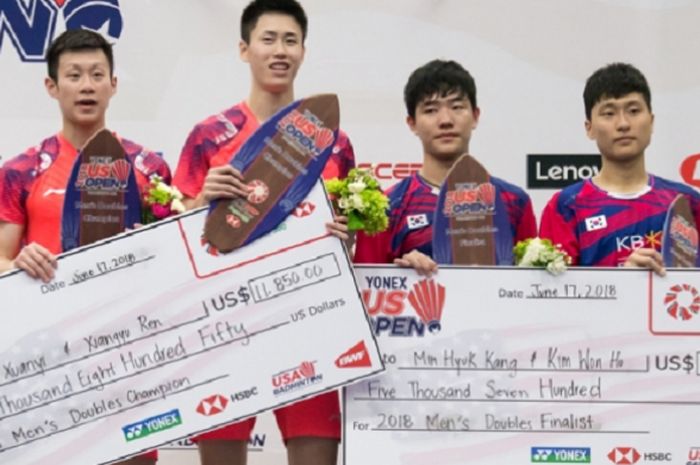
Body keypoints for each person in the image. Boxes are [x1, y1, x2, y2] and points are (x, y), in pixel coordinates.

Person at [172, 0, 355, 464]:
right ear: (244, 49)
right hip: (225, 326)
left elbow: (350, 238)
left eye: (290, 41)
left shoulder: (333, 140)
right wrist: (198, 205)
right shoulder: (209, 136)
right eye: (268, 39)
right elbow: (174, 241)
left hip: (310, 323)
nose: (280, 51)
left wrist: (345, 238)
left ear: (303, 52)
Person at [0, 29, 170, 465]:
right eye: (74, 75)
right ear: (52, 87)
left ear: (114, 84)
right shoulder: (21, 171)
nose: (87, 85)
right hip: (46, 358)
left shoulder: (150, 168)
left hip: (128, 350)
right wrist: (18, 263)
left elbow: (176, 260)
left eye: (98, 74)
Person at [354, 59, 536, 271]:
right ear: (411, 123)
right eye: (430, 110)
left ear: (475, 116)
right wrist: (401, 275)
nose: (446, 120)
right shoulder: (387, 208)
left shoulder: (514, 201)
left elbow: (533, 290)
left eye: (457, 107)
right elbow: (367, 291)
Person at [539, 62, 700, 275]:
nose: (623, 124)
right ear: (589, 128)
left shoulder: (686, 203)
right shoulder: (566, 207)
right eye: (609, 113)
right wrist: (624, 284)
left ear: (651, 122)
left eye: (633, 111)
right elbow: (551, 299)